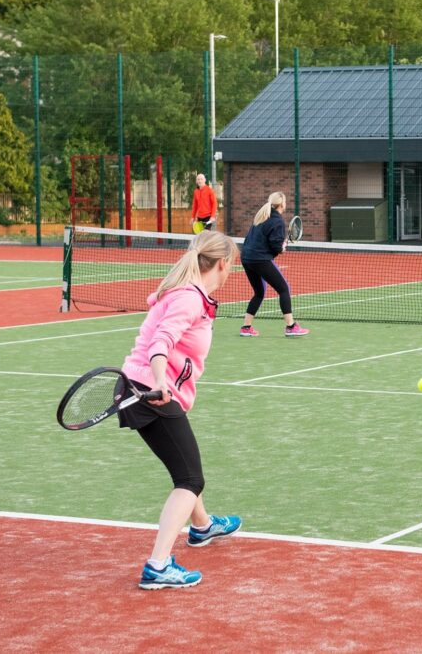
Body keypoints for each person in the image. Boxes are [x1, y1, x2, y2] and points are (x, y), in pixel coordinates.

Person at [120, 230, 242, 589]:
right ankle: (158, 565)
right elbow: (161, 343)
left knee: (184, 462)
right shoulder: (188, 299)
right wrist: (160, 382)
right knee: (190, 480)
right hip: (151, 391)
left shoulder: (188, 295)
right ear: (222, 264)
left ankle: (202, 527)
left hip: (147, 389)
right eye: (231, 265)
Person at [240, 192, 310, 336]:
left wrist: (278, 246)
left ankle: (246, 328)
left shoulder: (261, 216)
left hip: (246, 258)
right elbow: (275, 246)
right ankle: (291, 327)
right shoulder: (277, 221)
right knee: (284, 288)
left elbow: (259, 240)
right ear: (282, 204)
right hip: (260, 259)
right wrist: (281, 248)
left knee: (259, 293)